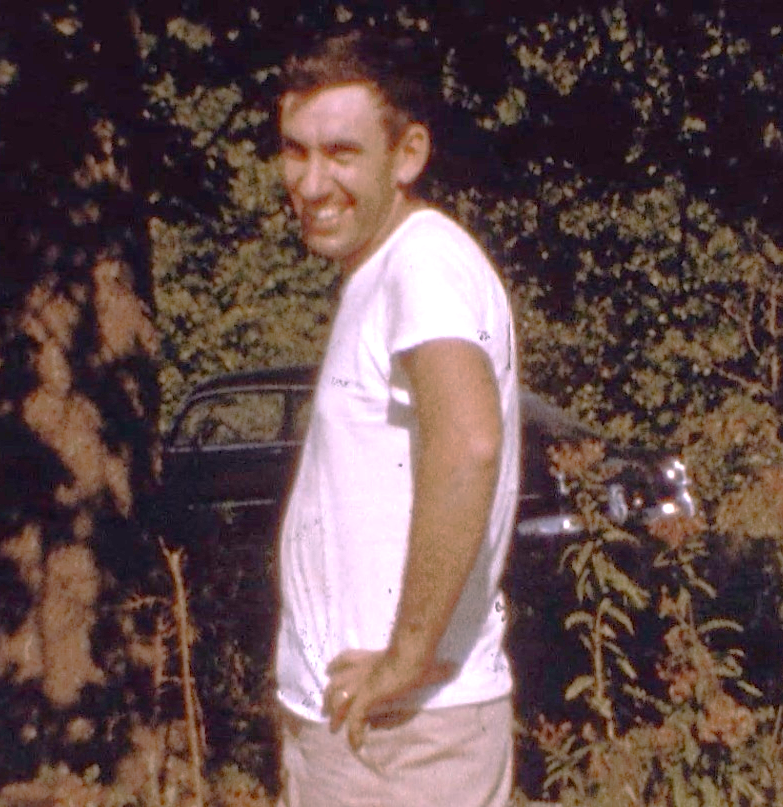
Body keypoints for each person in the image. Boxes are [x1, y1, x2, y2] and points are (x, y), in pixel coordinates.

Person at [274, 29, 520, 807]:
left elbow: (470, 441)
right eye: (295, 150)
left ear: (407, 155)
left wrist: (406, 656)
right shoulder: (387, 271)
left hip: (402, 738)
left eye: (341, 153)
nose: (311, 182)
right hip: (375, 732)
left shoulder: (423, 262)